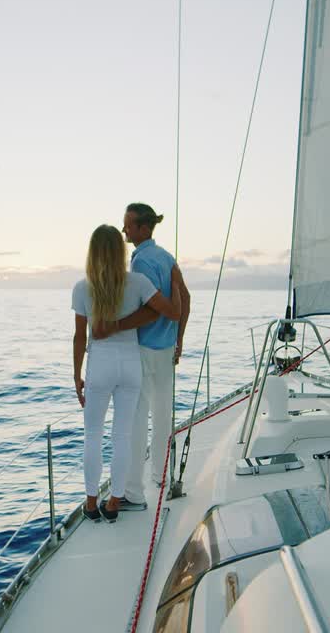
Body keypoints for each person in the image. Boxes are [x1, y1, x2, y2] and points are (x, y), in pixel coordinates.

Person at [72, 224, 182, 522]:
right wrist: (174, 277)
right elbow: (171, 311)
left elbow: (80, 337)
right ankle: (115, 503)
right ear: (121, 251)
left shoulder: (83, 287)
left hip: (100, 364)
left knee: (93, 435)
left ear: (93, 253)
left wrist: (76, 376)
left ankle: (92, 503)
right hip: (131, 362)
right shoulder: (138, 282)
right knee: (122, 435)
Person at [93, 203, 190, 507]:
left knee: (135, 422)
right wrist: (180, 338)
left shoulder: (141, 263)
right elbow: (185, 298)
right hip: (166, 349)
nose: (124, 231)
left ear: (143, 229)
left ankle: (132, 492)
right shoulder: (166, 257)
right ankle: (161, 476)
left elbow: (149, 309)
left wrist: (116, 326)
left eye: (129, 226)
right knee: (163, 414)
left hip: (143, 348)